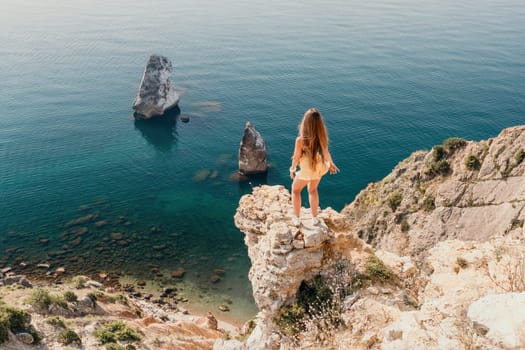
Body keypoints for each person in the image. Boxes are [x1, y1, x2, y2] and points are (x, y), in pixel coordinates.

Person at [289, 108, 339, 226]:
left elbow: (296, 157)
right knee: (312, 190)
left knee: (295, 190)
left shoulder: (300, 140)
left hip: (306, 169)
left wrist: (292, 169)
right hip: (319, 167)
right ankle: (314, 218)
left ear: (305, 122)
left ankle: (296, 218)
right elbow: (326, 153)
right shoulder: (321, 138)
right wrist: (331, 164)